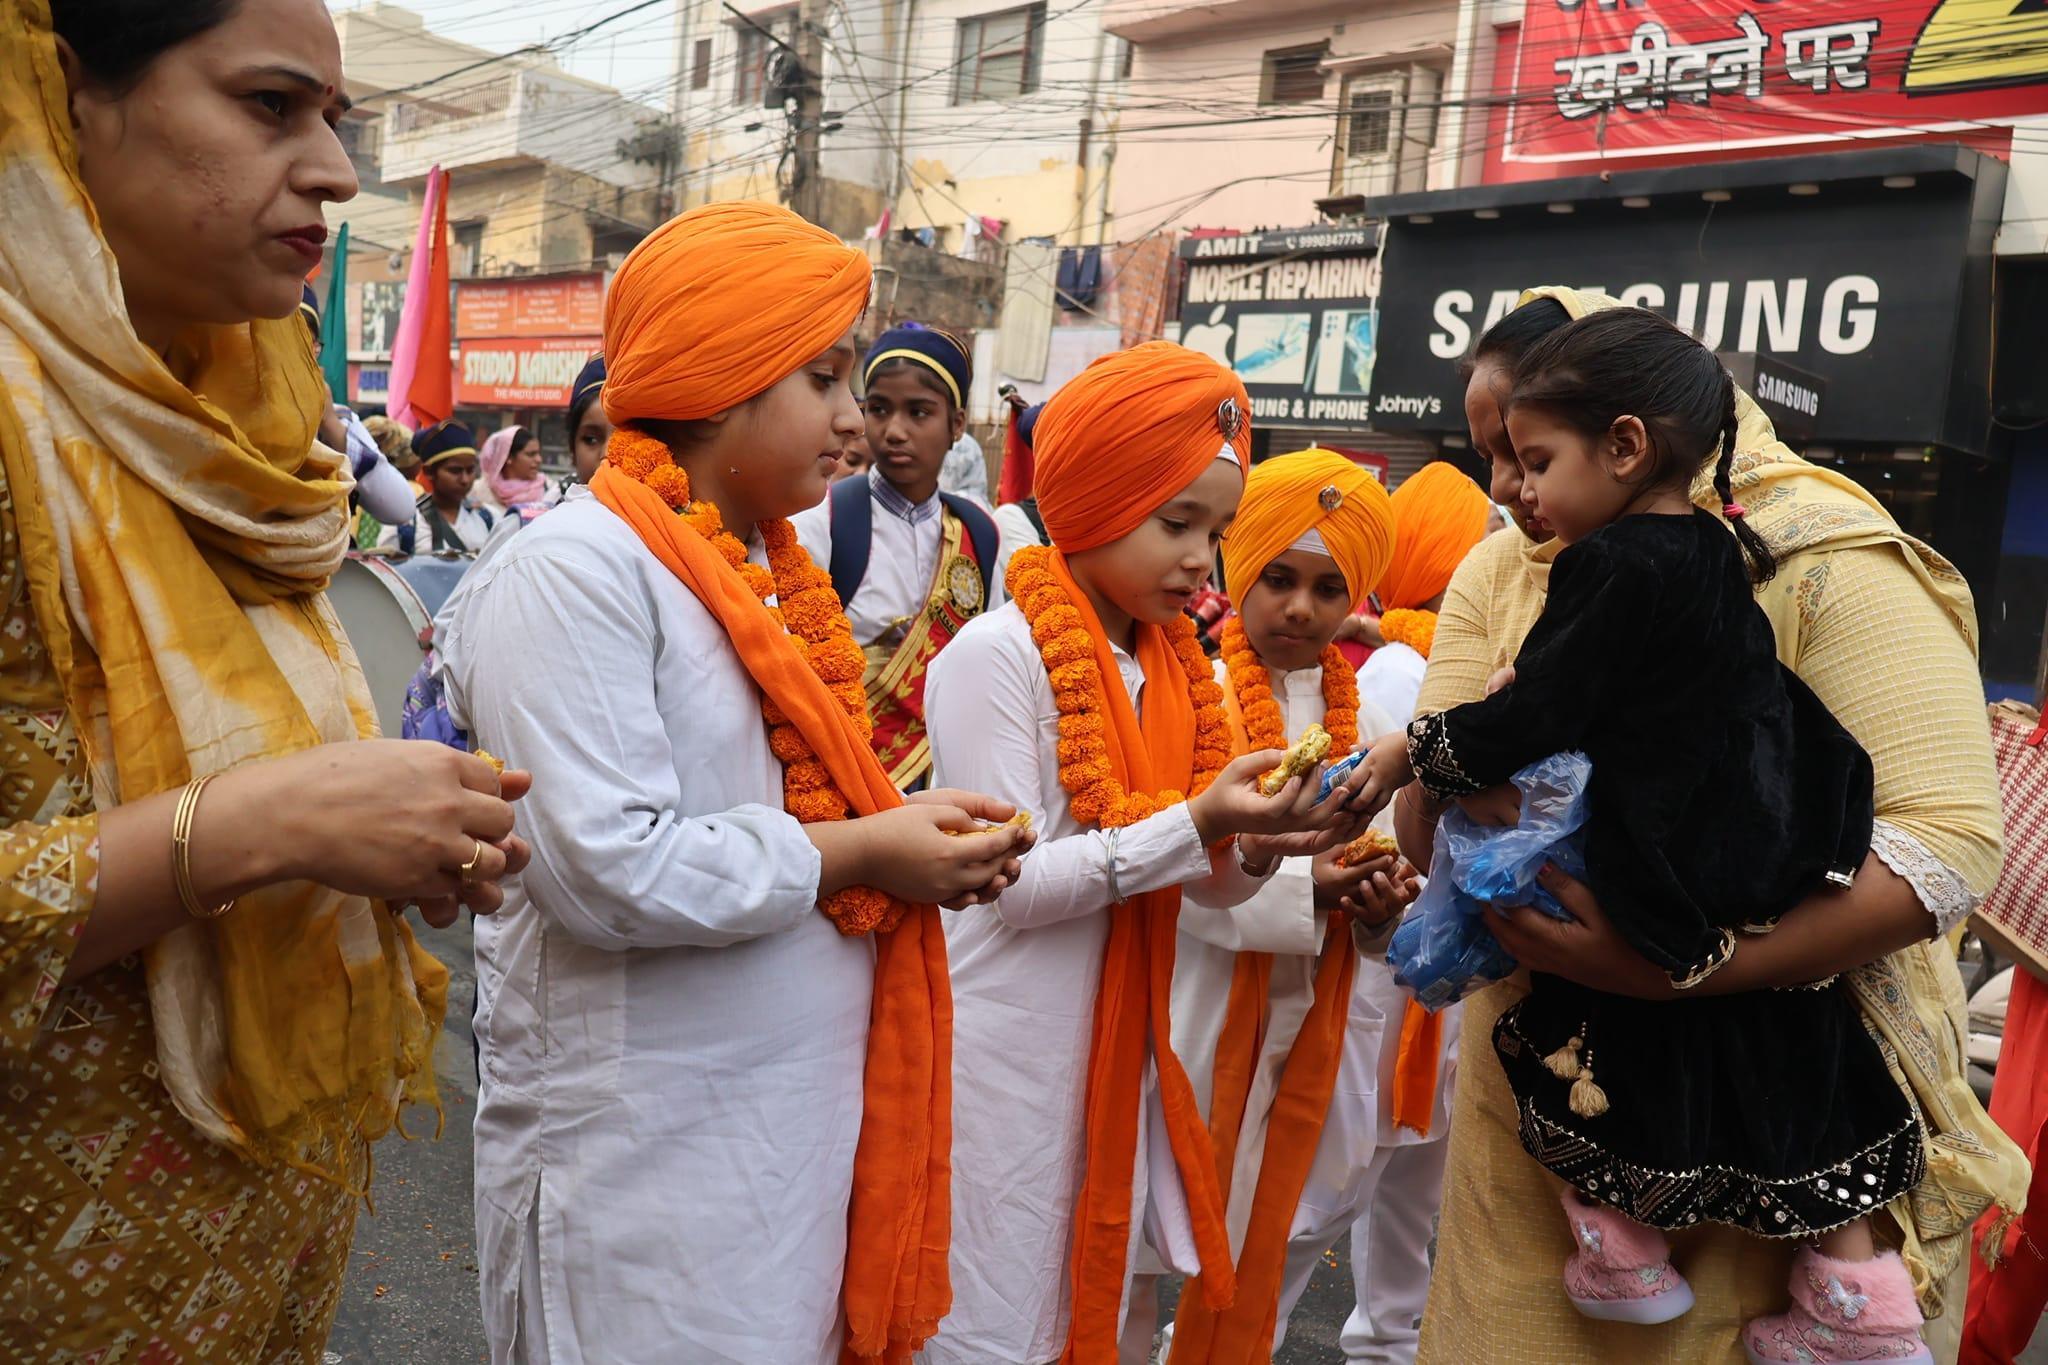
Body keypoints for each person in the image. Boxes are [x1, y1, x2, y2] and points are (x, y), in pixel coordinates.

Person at [0, 1, 530, 1358]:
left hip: (258, 1259)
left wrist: (370, 829)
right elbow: (236, 805)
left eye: (335, 122)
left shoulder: (246, 431)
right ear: (70, 94)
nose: (340, 170)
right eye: (271, 106)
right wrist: (266, 826)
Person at [440, 201, 1031, 1365]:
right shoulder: (576, 570)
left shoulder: (759, 568)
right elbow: (610, 868)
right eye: (824, 378)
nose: (855, 420)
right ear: (726, 380)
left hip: (780, 1146)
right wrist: (865, 853)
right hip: (642, 1166)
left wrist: (890, 822)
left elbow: (754, 806)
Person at [1405, 287, 2026, 1365]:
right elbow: (1429, 816)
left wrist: (1683, 968)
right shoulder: (1500, 565)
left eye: (1525, 450)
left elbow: (1947, 842)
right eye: (1491, 455)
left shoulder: (1820, 554)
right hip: (1536, 1153)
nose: (1503, 488)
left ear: (1625, 435)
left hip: (1761, 1145)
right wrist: (1468, 790)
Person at [920, 342, 1374, 1364]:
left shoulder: (1164, 668)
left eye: (1214, 532)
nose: (1199, 561)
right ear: (1089, 498)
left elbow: (1197, 882)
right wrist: (1206, 825)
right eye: (1176, 524)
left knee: (1101, 1308)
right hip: (1009, 1054)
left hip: (1122, 1046)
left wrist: (1264, 843)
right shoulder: (997, 655)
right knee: (989, 1319)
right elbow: (1013, 886)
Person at [1141, 448, 1423, 1363]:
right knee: (1158, 1234)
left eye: (1329, 587)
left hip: (1318, 1018)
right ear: (1238, 566)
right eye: (1279, 578)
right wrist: (1309, 888)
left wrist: (1375, 908)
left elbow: (1380, 910)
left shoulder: (1371, 732)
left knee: (1281, 1223)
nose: (1301, 608)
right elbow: (1165, 870)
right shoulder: (1189, 697)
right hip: (1196, 1000)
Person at [793, 322, 1001, 790]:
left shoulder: (980, 533)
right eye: (879, 410)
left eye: (919, 412)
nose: (894, 431)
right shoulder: (824, 518)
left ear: (957, 426)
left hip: (945, 776)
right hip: (845, 780)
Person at [1355, 462, 1491, 728]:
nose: (1502, 564)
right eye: (1488, 549)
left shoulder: (1474, 656)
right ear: (1444, 567)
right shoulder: (1396, 672)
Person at [380, 419, 493, 555]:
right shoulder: (406, 524)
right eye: (455, 471)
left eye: (470, 470)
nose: (465, 479)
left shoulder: (488, 518)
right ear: (429, 472)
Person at [475, 424, 547, 518]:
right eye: (531, 454)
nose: (539, 459)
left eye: (538, 453)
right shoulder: (479, 491)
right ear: (508, 457)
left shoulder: (547, 490)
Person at [564, 354, 610, 488]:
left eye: (627, 439)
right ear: (572, 450)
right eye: (591, 440)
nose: (606, 455)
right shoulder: (548, 507)